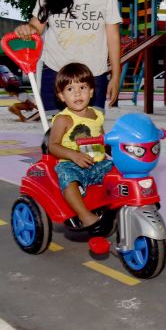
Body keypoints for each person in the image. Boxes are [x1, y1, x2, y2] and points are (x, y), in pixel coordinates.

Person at [13, 0, 121, 116]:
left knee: (90, 135)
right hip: (56, 73)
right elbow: (35, 29)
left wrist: (116, 76)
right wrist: (26, 30)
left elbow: (113, 38)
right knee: (55, 134)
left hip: (93, 75)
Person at [49, 62, 113, 229]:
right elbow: (53, 146)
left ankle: (125, 203)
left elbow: (104, 139)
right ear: (61, 96)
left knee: (121, 171)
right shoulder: (63, 119)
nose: (77, 93)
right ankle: (84, 215)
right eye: (70, 89)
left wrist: (114, 150)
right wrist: (73, 155)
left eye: (82, 87)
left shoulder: (96, 114)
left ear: (91, 91)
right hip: (72, 164)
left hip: (98, 163)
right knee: (67, 178)